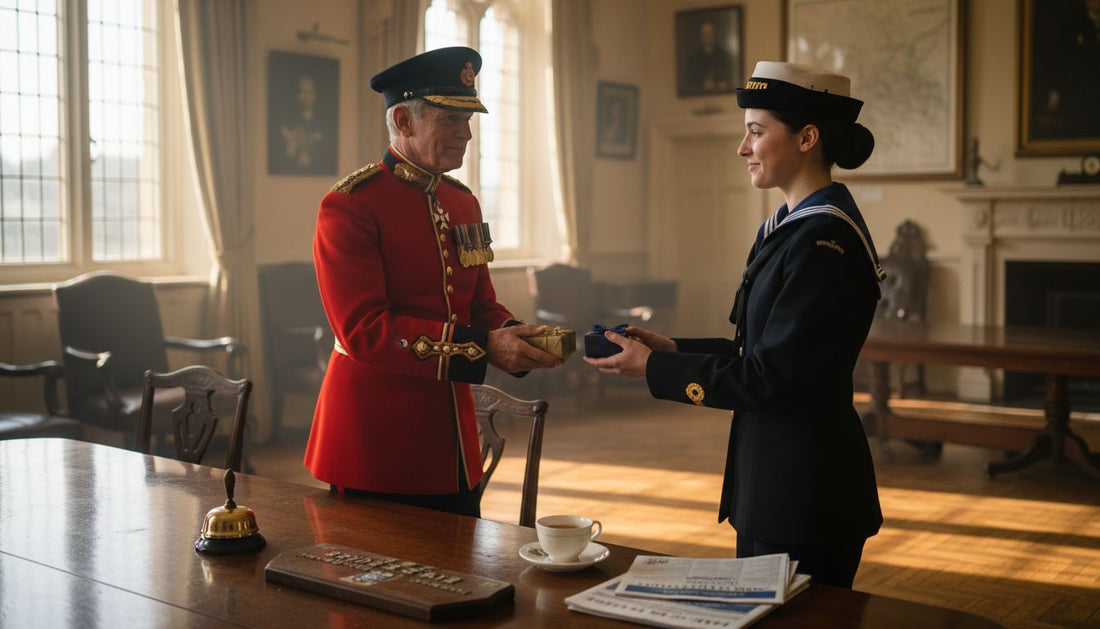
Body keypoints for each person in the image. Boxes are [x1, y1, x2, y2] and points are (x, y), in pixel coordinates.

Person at [584, 61, 885, 588]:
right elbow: (757, 350)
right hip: (773, 483)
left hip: (805, 493)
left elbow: (772, 377)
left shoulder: (822, 245)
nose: (742, 148)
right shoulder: (791, 228)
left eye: (756, 131)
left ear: (807, 137)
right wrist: (671, 348)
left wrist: (655, 369)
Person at [305, 46, 562, 517]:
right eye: (450, 120)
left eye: (469, 120)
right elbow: (364, 331)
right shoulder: (350, 205)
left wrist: (517, 335)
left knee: (461, 575)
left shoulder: (462, 202)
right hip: (375, 440)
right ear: (403, 121)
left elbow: (480, 304)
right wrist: (487, 348)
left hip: (452, 442)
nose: (466, 134)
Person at [683, 20, 735, 93]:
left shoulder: (723, 55)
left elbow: (728, 79)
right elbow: (691, 81)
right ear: (700, 36)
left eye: (710, 33)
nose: (708, 36)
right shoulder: (694, 58)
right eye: (705, 33)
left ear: (714, 34)